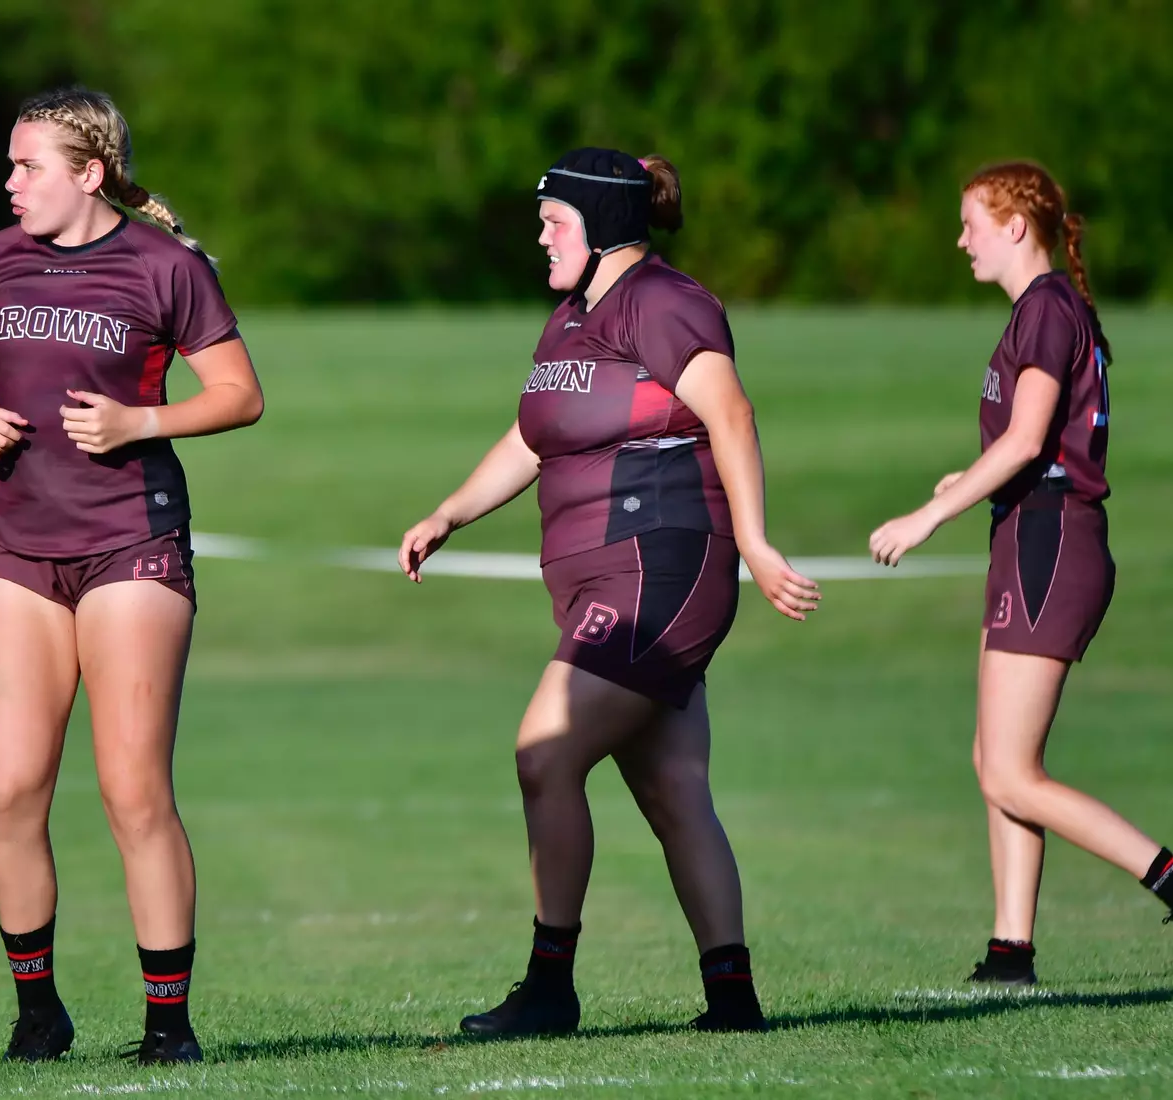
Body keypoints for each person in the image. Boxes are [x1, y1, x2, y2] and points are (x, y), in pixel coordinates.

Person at [399, 149, 820, 1037]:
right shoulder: (569, 317)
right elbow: (531, 438)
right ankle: (732, 1000)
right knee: (672, 786)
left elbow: (731, 413)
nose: (540, 235)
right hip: (607, 570)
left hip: (656, 567)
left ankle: (549, 987)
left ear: (604, 227)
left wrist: (753, 541)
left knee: (542, 753)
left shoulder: (663, 303)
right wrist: (448, 513)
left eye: (556, 221)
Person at [0, 86, 263, 1063]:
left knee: (131, 789)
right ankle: (38, 1010)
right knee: (8, 789)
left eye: (26, 165)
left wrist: (141, 422)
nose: (9, 182)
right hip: (19, 548)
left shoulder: (166, 266)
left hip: (131, 541)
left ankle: (169, 1023)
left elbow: (241, 394)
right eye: (8, 164)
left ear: (89, 173)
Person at [869, 161, 1173, 984]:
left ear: (1014, 226)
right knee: (992, 761)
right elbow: (1025, 452)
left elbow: (1027, 440)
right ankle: (1010, 950)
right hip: (1030, 535)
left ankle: (1169, 877)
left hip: (1050, 542)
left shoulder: (1044, 308)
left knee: (1010, 770)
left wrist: (928, 516)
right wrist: (964, 484)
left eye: (971, 221)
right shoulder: (1044, 312)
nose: (960, 237)